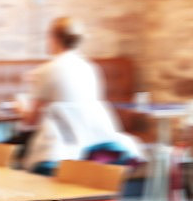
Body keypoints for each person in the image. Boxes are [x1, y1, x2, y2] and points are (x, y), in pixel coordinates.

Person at [21, 17, 142, 174]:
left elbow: (31, 120)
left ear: (54, 38)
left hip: (58, 153)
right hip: (95, 148)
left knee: (19, 150)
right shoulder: (90, 68)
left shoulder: (46, 71)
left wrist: (20, 107)